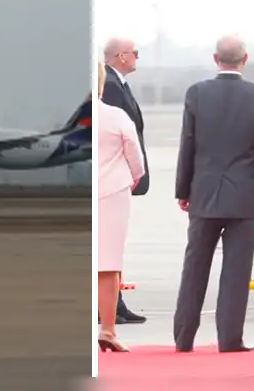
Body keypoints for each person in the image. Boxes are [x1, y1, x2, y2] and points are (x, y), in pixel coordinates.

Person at [172, 35, 254, 353]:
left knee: (194, 267)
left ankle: (183, 338)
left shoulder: (196, 94)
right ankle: (229, 339)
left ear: (215, 59)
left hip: (204, 193)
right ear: (244, 59)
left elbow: (188, 146)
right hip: (243, 198)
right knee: (236, 271)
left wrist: (183, 189)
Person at [96, 61, 146, 351]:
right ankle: (108, 330)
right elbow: (135, 158)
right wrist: (133, 178)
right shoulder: (117, 117)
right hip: (113, 192)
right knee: (108, 264)